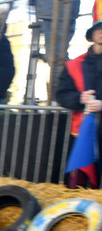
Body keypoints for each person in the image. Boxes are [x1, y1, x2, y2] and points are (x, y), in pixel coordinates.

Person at [55, 19, 102, 187]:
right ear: (91, 35)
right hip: (83, 132)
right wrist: (80, 99)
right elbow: (61, 95)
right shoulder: (73, 65)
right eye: (99, 29)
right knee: (81, 184)